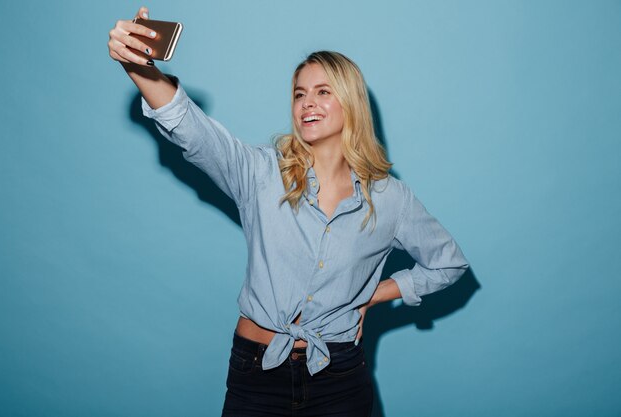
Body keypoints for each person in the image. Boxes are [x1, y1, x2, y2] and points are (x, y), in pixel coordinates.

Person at [108, 6, 469, 416]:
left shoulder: (390, 198)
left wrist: (374, 295)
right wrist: (139, 69)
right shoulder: (261, 172)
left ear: (350, 102)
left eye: (322, 91)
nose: (307, 103)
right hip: (255, 372)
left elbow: (448, 265)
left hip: (340, 380)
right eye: (299, 93)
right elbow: (194, 131)